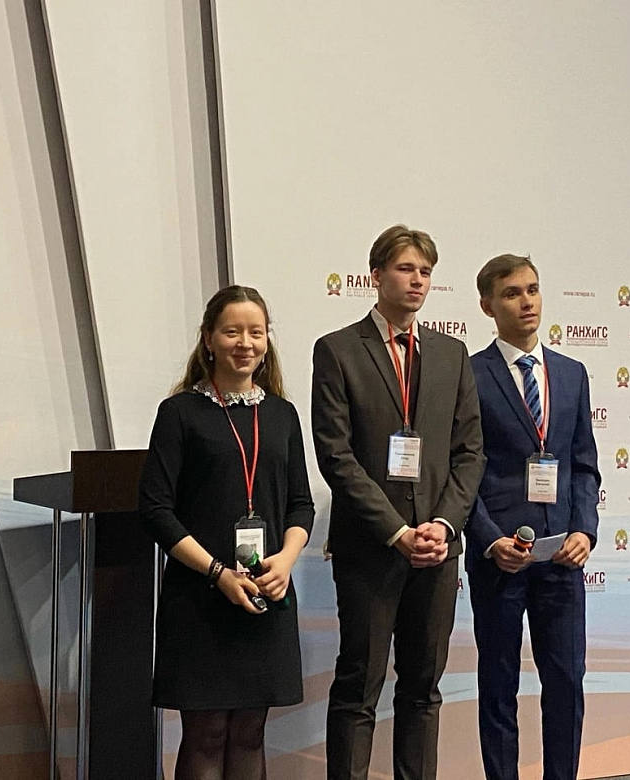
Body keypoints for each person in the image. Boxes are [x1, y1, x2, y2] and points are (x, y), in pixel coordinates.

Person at [311, 224, 485, 780]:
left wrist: (444, 526)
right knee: (358, 687)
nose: (418, 281)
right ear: (376, 275)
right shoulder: (338, 349)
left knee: (422, 690)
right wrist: (397, 531)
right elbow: (336, 455)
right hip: (371, 548)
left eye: (426, 272)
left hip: (436, 550)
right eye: (406, 268)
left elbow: (470, 453)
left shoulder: (452, 354)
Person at [138, 285, 315, 780]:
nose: (245, 343)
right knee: (207, 733)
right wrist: (217, 572)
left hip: (265, 594)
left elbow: (300, 504)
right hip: (200, 599)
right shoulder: (179, 413)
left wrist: (285, 560)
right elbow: (156, 509)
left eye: (256, 332)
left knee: (249, 734)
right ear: (209, 339)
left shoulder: (281, 414)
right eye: (232, 331)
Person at [467, 254, 601, 780]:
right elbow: (461, 471)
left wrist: (585, 530)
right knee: (499, 687)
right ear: (487, 306)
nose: (526, 302)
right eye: (512, 293)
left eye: (533, 289)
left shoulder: (571, 373)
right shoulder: (469, 375)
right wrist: (487, 539)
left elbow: (584, 464)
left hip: (562, 557)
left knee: (566, 682)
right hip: (501, 558)